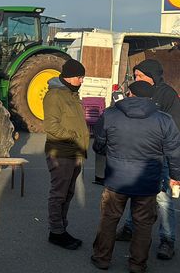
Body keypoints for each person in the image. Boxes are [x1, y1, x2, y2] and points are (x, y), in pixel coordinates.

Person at [91, 81, 180, 273]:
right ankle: (137, 264)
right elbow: (174, 152)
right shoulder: (163, 120)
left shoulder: (111, 115)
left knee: (109, 218)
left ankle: (102, 258)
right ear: (150, 97)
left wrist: (111, 152)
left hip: (116, 179)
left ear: (129, 93)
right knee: (143, 224)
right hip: (147, 181)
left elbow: (98, 144)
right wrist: (175, 176)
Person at [116, 59, 180, 260]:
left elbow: (174, 128)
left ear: (152, 76)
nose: (136, 79)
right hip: (138, 155)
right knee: (136, 194)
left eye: (140, 76)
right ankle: (129, 228)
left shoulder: (167, 95)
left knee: (163, 200)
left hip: (161, 157)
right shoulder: (134, 92)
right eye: (135, 76)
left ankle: (167, 240)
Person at [43, 58, 90, 250]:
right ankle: (56, 232)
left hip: (75, 151)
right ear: (70, 77)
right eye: (80, 77)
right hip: (61, 152)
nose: (82, 81)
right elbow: (51, 126)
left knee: (68, 193)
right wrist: (73, 136)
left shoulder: (71, 94)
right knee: (59, 194)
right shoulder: (55, 96)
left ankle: (62, 228)